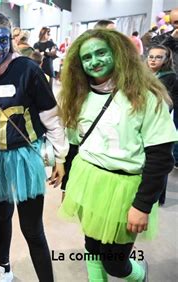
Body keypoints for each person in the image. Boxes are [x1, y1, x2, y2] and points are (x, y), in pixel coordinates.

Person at [58, 29, 177, 282]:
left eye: (101, 53)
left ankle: (139, 276)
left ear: (118, 54)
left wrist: (142, 205)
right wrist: (68, 186)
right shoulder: (78, 95)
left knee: (114, 263)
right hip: (86, 179)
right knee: (91, 247)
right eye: (87, 57)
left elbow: (160, 158)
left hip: (125, 189)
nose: (94, 61)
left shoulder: (146, 96)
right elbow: (74, 147)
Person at [0, 11, 68, 282]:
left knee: (32, 227)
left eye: (4, 40)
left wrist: (60, 156)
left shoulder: (27, 69)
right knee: (2, 216)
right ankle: (4, 269)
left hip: (26, 157)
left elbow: (51, 116)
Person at [145, 45, 177, 205]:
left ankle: (158, 197)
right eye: (151, 56)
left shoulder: (169, 77)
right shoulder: (148, 73)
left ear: (166, 59)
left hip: (161, 122)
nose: (153, 59)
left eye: (158, 57)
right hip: (148, 119)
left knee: (159, 160)